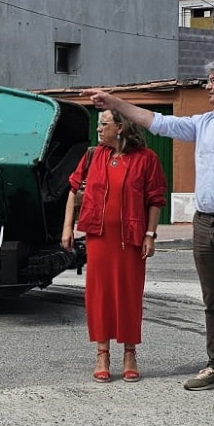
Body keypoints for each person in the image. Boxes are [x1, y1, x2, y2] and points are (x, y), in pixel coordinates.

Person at [90, 57, 214, 403]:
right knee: (213, 301)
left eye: (212, 80)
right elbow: (159, 122)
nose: (207, 86)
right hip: (205, 222)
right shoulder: (204, 124)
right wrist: (116, 103)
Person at [62, 110, 167, 383]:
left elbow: (155, 200)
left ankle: (130, 353)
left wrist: (150, 235)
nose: (99, 129)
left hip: (130, 239)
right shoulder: (93, 156)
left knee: (129, 295)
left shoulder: (147, 159)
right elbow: (73, 190)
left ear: (120, 127)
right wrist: (67, 227)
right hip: (98, 237)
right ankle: (102, 354)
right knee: (99, 295)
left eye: (104, 124)